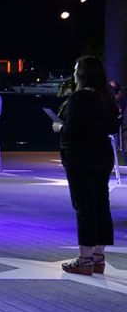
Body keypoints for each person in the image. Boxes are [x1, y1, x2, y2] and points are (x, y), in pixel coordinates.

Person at [52, 55, 119, 275]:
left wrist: (58, 127)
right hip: (102, 155)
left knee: (84, 206)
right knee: (101, 202)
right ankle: (99, 258)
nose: (73, 73)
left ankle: (85, 260)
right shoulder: (107, 97)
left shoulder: (79, 98)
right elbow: (112, 127)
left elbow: (72, 131)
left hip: (81, 157)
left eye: (75, 69)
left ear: (82, 73)